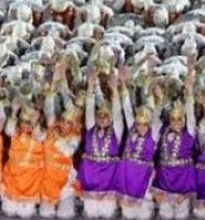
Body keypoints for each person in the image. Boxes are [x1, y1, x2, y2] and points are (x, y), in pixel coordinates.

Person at [151, 65, 197, 219]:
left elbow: (190, 112)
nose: (176, 122)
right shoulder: (163, 131)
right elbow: (154, 121)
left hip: (183, 177)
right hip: (164, 177)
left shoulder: (189, 131)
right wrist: (159, 100)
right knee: (165, 213)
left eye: (179, 119)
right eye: (173, 119)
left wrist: (190, 91)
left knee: (181, 214)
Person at [77, 70, 122, 219]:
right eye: (100, 116)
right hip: (90, 172)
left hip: (109, 174)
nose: (102, 119)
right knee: (90, 212)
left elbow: (117, 113)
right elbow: (89, 110)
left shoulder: (117, 131)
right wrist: (90, 87)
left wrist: (114, 90)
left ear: (111, 119)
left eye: (106, 117)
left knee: (107, 212)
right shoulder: (90, 128)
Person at [117, 82, 163, 220]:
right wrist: (124, 86)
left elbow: (156, 118)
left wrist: (160, 100)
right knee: (127, 211)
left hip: (143, 175)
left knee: (144, 209)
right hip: (126, 174)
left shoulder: (153, 134)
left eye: (145, 124)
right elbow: (127, 109)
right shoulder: (132, 129)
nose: (141, 127)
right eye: (138, 123)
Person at [40, 73, 82, 219]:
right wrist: (53, 86)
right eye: (63, 120)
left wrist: (57, 139)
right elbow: (49, 110)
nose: (64, 124)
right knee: (46, 214)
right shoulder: (53, 127)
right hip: (48, 176)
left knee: (65, 214)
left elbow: (68, 151)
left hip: (65, 177)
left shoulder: (75, 136)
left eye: (68, 122)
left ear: (73, 124)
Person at [2, 101, 45, 218]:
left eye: (28, 122)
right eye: (22, 122)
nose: (24, 125)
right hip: (13, 176)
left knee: (25, 212)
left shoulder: (40, 133)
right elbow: (8, 130)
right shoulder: (15, 133)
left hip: (31, 178)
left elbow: (38, 136)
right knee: (9, 210)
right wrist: (14, 112)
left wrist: (35, 122)